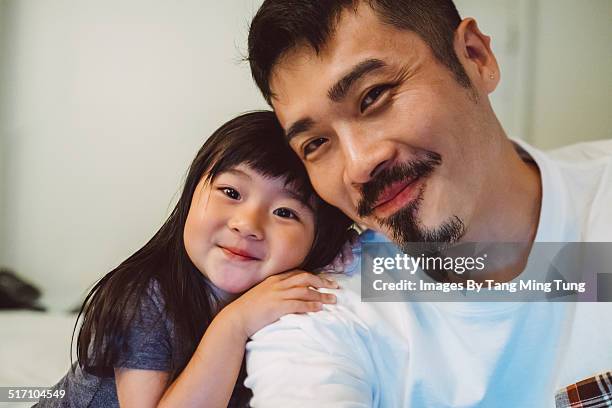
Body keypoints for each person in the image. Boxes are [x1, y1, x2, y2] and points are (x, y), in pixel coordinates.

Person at [244, 1, 612, 406]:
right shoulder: (322, 313)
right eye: (314, 144)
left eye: (374, 96)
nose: (359, 165)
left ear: (475, 56)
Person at [36, 111, 353, 407]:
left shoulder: (286, 296)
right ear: (190, 196)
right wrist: (233, 325)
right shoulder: (147, 298)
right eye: (231, 192)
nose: (247, 224)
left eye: (284, 212)